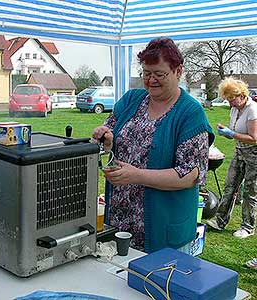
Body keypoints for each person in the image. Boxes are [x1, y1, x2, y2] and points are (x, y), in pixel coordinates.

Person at [92, 37, 214, 254]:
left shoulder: (191, 113)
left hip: (163, 229)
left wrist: (138, 176)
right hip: (120, 221)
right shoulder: (131, 100)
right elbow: (109, 132)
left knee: (158, 287)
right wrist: (106, 139)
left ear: (178, 71)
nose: (151, 80)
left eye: (159, 74)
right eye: (146, 74)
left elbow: (190, 175)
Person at [206, 77, 257, 238]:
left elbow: (254, 138)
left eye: (231, 99)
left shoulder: (252, 109)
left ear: (241, 95)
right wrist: (226, 132)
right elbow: (235, 135)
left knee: (250, 191)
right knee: (230, 186)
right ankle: (220, 220)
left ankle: (247, 227)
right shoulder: (235, 109)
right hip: (239, 151)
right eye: (227, 99)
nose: (230, 103)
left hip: (253, 154)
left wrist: (232, 133)